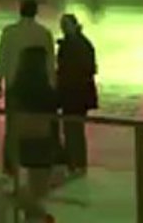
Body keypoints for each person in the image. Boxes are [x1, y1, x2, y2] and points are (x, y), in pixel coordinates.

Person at [0, 0, 56, 175]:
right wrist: (52, 84)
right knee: (35, 124)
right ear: (35, 12)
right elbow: (50, 61)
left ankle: (11, 163)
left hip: (15, 84)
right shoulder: (43, 33)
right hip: (38, 86)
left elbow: (2, 57)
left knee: (12, 125)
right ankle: (34, 160)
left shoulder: (10, 32)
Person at [10, 46, 59, 222]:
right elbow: (55, 103)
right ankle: (35, 212)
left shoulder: (19, 84)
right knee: (40, 184)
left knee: (33, 180)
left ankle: (32, 213)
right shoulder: (43, 86)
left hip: (24, 135)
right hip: (41, 135)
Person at [56, 13, 97, 175]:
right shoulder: (80, 43)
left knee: (73, 128)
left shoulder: (76, 45)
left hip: (74, 93)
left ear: (74, 25)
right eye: (62, 25)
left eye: (66, 25)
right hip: (77, 93)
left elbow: (84, 69)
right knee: (74, 128)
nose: (63, 28)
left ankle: (76, 162)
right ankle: (76, 161)